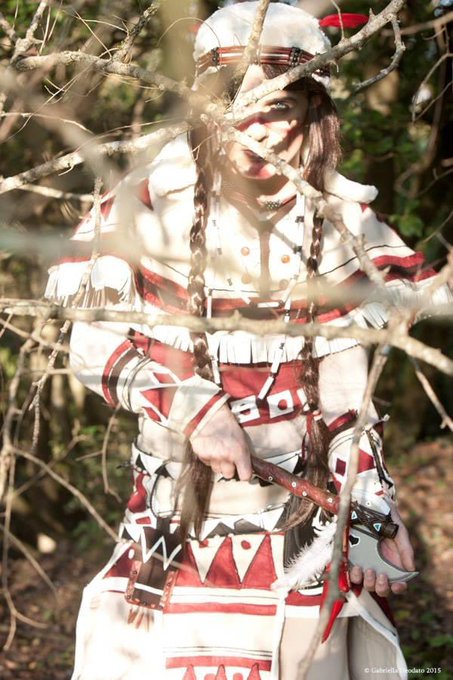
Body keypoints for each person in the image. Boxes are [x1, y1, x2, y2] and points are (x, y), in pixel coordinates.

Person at [45, 2, 451, 679]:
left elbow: (347, 390)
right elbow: (92, 346)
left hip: (306, 521)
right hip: (175, 515)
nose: (254, 128)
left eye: (277, 108)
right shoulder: (144, 203)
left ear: (313, 111)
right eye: (232, 106)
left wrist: (371, 511)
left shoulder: (345, 222)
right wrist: (194, 411)